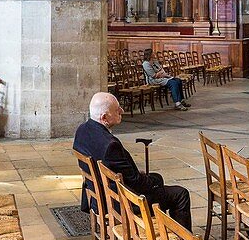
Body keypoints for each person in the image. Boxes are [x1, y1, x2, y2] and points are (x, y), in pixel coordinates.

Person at [73, 91, 192, 231]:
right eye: (117, 110)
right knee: (180, 194)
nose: (121, 111)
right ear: (104, 117)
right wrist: (153, 183)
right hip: (120, 202)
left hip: (98, 195)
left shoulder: (82, 130)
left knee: (157, 178)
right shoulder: (111, 145)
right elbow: (136, 183)